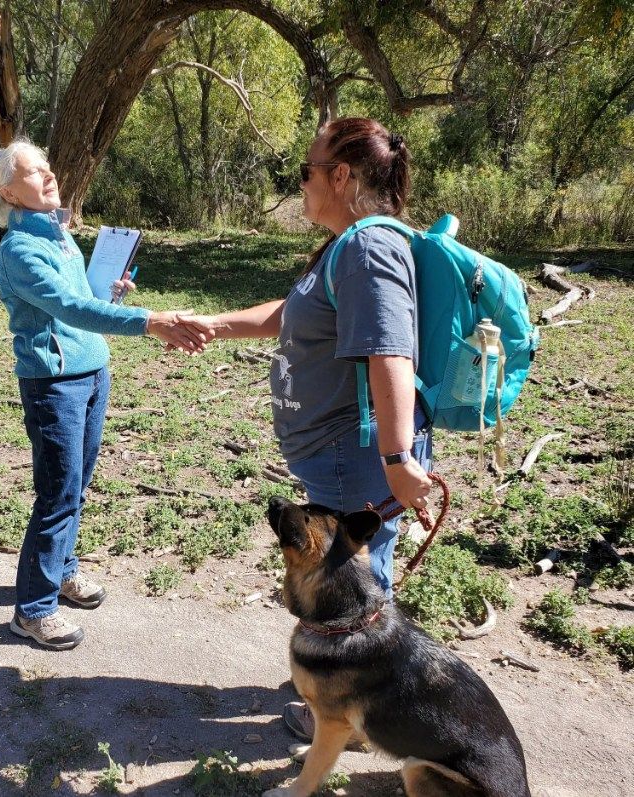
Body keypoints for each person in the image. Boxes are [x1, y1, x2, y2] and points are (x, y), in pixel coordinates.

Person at [184, 117, 433, 740]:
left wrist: (399, 457)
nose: (302, 185)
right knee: (355, 580)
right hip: (338, 453)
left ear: (340, 175)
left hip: (357, 453)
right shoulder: (346, 248)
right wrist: (218, 323)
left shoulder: (369, 248)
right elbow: (296, 316)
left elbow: (390, 353)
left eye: (307, 170)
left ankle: (346, 709)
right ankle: (346, 687)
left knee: (351, 587)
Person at [0, 139, 213, 651]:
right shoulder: (20, 250)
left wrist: (109, 293)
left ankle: (61, 570)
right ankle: (33, 609)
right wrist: (150, 321)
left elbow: (83, 301)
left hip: (92, 372)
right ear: (8, 192)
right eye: (32, 172)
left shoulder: (61, 236)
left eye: (47, 166)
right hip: (54, 384)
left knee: (76, 487)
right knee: (57, 494)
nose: (48, 175)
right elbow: (68, 309)